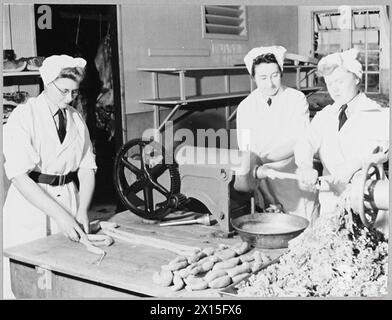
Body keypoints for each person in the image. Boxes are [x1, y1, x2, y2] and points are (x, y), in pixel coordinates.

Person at [2, 55, 97, 298]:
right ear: (47, 82)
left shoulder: (76, 118)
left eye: (74, 92)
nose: (70, 98)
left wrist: (82, 209)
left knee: (65, 278)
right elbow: (19, 176)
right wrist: (61, 216)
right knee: (28, 282)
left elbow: (87, 167)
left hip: (68, 195)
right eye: (64, 90)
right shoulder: (24, 116)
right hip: (31, 202)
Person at [295, 48, 389, 231]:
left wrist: (356, 163)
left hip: (368, 203)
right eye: (330, 83)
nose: (334, 89)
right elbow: (305, 141)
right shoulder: (326, 115)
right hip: (332, 202)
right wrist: (305, 165)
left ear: (356, 78)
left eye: (340, 81)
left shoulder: (377, 113)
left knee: (367, 250)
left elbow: (383, 150)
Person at [236, 45, 318, 221]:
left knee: (305, 225)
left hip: (294, 177)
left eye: (274, 76)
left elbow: (299, 140)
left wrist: (261, 160)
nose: (270, 83)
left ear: (281, 73)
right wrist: (268, 196)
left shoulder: (296, 99)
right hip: (263, 182)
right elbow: (247, 154)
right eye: (263, 77)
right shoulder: (245, 107)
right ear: (253, 78)